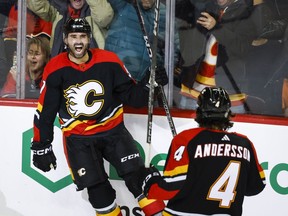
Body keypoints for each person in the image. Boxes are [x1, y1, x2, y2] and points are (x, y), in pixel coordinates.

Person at [30, 18, 167, 216]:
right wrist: (41, 145)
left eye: (83, 37)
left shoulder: (109, 61)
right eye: (74, 37)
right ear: (65, 39)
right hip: (79, 140)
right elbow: (45, 112)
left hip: (114, 132)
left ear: (89, 38)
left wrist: (150, 84)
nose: (78, 42)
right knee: (99, 195)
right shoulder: (55, 68)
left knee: (140, 179)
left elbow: (132, 97)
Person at [138, 87, 266, 216]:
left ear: (199, 112)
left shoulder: (186, 139)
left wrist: (149, 182)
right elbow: (256, 187)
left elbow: (169, 188)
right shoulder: (244, 144)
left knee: (135, 179)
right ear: (228, 113)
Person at [176, 0, 256, 113]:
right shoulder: (203, 7)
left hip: (228, 91)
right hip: (194, 87)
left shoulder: (245, 12)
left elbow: (243, 48)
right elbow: (188, 38)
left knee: (226, 129)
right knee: (191, 129)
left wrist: (216, 27)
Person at [104, 0, 167, 82]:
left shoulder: (164, 13)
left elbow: (173, 47)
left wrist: (161, 68)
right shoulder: (124, 4)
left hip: (144, 80)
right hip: (118, 73)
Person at [27, 0, 114, 57]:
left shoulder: (94, 11)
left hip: (94, 67)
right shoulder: (59, 11)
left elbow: (104, 17)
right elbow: (37, 5)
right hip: (64, 69)